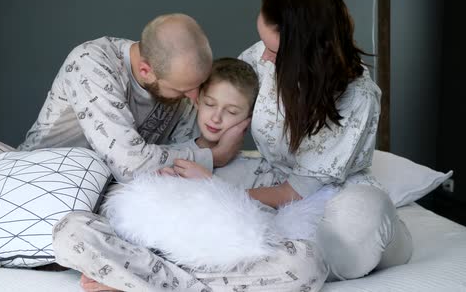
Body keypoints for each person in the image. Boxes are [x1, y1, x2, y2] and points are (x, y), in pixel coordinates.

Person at [0, 13, 249, 247]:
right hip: (27, 176)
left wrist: (211, 146)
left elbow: (168, 167)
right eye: (182, 90)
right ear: (145, 71)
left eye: (197, 88)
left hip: (96, 197)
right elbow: (131, 162)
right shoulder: (93, 62)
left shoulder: (188, 88)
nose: (193, 99)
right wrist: (210, 154)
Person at [174, 0, 413, 282]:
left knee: (356, 222)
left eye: (274, 50)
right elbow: (226, 100)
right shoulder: (263, 59)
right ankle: (151, 273)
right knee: (185, 201)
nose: (262, 56)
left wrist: (217, 188)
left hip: (334, 203)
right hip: (275, 185)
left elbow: (299, 192)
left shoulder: (357, 96)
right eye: (263, 41)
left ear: (308, 53)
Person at [52, 57, 328, 292]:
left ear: (249, 118)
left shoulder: (261, 171)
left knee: (308, 262)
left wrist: (213, 186)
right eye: (210, 104)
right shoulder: (165, 154)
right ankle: (147, 279)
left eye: (231, 111)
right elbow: (123, 219)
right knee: (70, 229)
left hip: (216, 264)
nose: (216, 118)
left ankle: (132, 281)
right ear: (197, 101)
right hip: (150, 252)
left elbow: (262, 237)